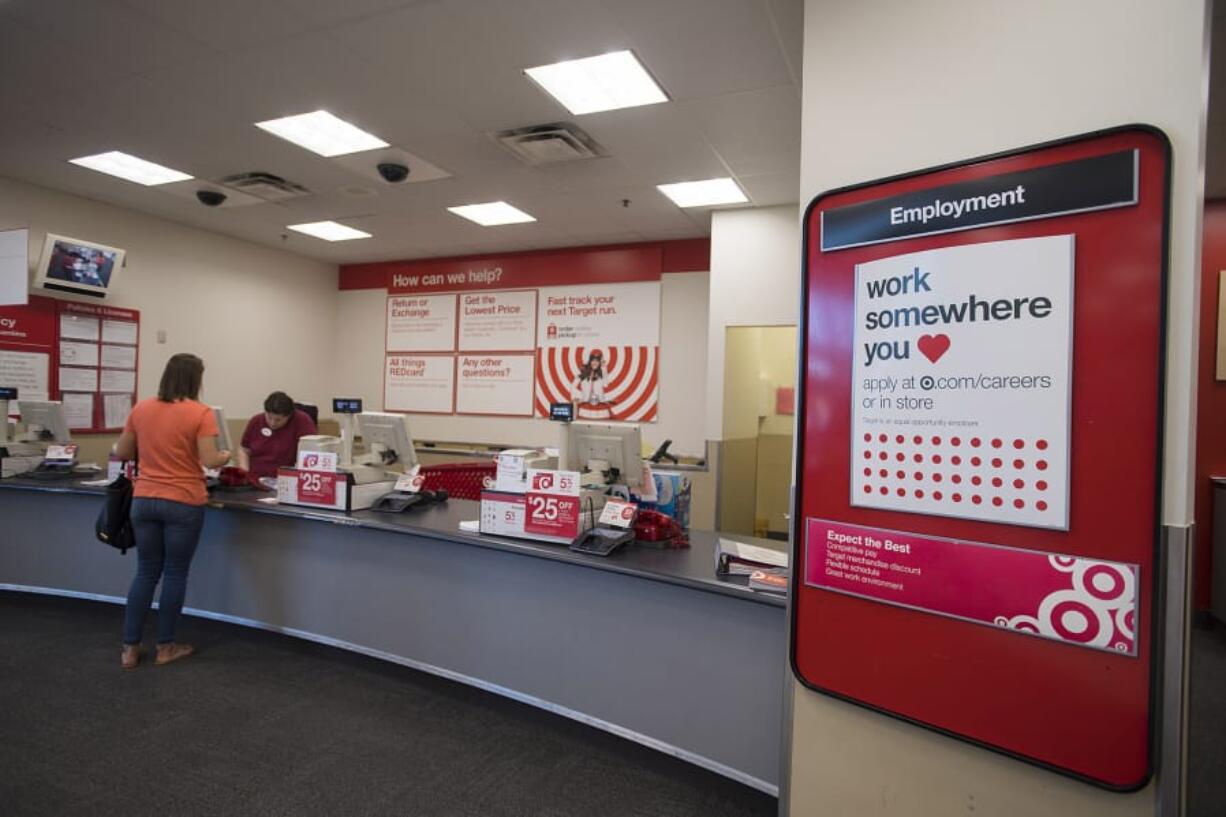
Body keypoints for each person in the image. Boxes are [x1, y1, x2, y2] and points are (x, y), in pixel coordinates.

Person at [115, 353, 231, 669]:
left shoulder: (141, 408)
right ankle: (166, 647)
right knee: (175, 573)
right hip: (182, 500)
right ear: (196, 379)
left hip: (144, 499)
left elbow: (122, 451)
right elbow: (209, 460)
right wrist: (226, 454)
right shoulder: (200, 413)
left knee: (145, 572)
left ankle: (129, 649)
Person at [237, 391, 317, 480]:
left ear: (289, 416)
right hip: (256, 478)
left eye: (278, 420)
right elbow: (244, 450)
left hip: (286, 479)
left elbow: (311, 452)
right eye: (269, 417)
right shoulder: (256, 421)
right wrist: (245, 474)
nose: (272, 423)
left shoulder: (302, 421)